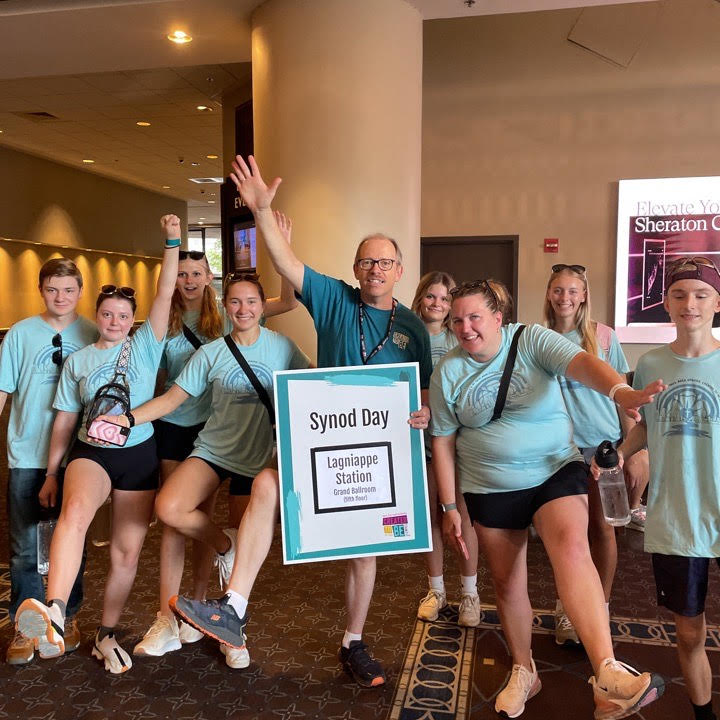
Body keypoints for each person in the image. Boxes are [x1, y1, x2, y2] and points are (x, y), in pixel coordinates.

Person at [168, 153, 432, 689]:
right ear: (355, 268)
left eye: (385, 263)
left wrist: (425, 414)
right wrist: (263, 210)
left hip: (376, 455)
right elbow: (288, 263)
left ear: (399, 271)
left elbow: (422, 391)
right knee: (266, 484)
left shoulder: (412, 327)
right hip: (322, 442)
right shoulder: (334, 297)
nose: (375, 270)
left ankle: (353, 644)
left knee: (364, 551)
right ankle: (233, 608)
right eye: (367, 262)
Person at [431, 279, 665, 719]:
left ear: (498, 317)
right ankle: (524, 670)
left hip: (554, 469)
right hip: (489, 485)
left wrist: (621, 393)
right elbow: (443, 440)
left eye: (474, 317)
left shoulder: (530, 339)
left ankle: (608, 672)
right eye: (457, 319)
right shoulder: (448, 371)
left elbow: (581, 363)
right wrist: (448, 508)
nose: (465, 327)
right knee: (506, 582)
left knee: (574, 550)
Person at [113, 271, 310, 670]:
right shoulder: (212, 353)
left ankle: (232, 633)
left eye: (251, 302)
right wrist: (128, 419)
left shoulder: (283, 347)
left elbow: (314, 381)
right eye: (235, 302)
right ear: (224, 306)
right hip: (214, 449)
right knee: (169, 508)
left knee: (246, 552)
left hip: (258, 460)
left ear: (262, 306)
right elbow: (171, 400)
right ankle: (224, 545)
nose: (243, 309)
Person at [15, 214, 180, 673]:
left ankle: (105, 632)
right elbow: (65, 421)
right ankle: (54, 611)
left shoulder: (148, 344)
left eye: (123, 316)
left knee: (127, 552)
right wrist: (52, 471)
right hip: (91, 454)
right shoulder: (80, 360)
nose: (114, 321)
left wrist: (172, 241)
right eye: (107, 314)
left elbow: (165, 292)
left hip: (139, 455)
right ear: (98, 316)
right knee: (74, 515)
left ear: (133, 321)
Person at [597, 257, 720, 720]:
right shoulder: (649, 363)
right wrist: (618, 453)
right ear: (666, 303)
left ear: (717, 302)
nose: (690, 304)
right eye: (680, 295)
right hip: (676, 517)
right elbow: (647, 429)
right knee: (689, 632)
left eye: (701, 294)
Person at [543, 262, 649, 645]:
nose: (565, 298)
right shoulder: (541, 337)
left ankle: (599, 605)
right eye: (558, 290)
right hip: (561, 452)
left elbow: (622, 397)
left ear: (584, 295)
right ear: (549, 293)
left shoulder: (604, 337)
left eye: (573, 291)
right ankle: (567, 609)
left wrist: (630, 449)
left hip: (604, 449)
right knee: (568, 536)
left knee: (603, 531)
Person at [0, 258, 97, 665]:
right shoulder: (20, 334)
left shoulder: (93, 331)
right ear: (42, 290)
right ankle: (28, 627)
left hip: (79, 456)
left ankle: (67, 616)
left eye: (69, 290)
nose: (61, 297)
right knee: (24, 547)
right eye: (53, 289)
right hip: (27, 453)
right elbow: (3, 391)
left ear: (80, 291)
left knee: (71, 540)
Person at [411, 271, 480, 627]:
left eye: (444, 298)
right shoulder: (408, 335)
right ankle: (436, 589)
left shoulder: (463, 339)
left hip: (458, 441)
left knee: (460, 516)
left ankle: (470, 591)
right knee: (430, 518)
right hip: (421, 439)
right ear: (421, 298)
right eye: (431, 296)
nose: (437, 304)